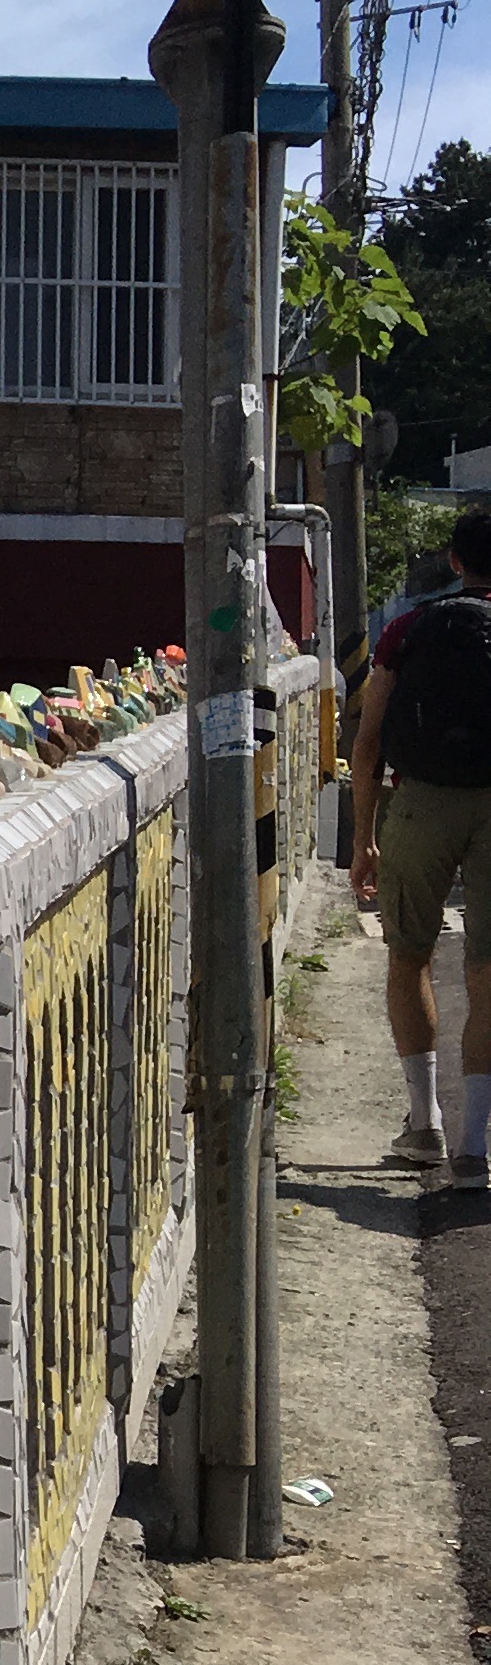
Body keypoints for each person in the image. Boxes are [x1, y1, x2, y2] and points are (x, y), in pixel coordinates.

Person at [350, 501, 491, 1184]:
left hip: (419, 804)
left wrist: (363, 838)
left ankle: (425, 1121)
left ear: (455, 561)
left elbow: (368, 741)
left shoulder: (407, 630)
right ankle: (476, 1145)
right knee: (487, 975)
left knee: (409, 957)